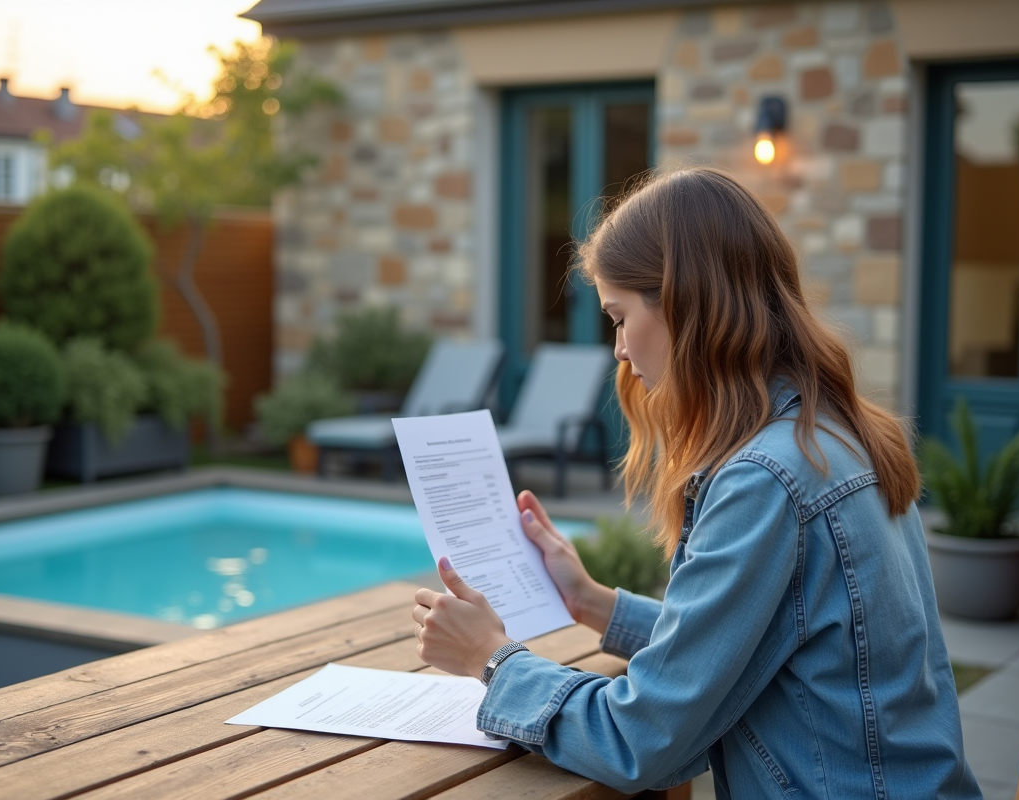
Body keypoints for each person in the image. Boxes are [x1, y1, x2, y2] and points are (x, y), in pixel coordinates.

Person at [411, 167, 982, 798]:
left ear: (684, 305)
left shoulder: (765, 481)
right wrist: (591, 601)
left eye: (620, 317)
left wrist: (491, 660)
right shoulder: (831, 436)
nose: (620, 350)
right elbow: (748, 639)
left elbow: (639, 741)